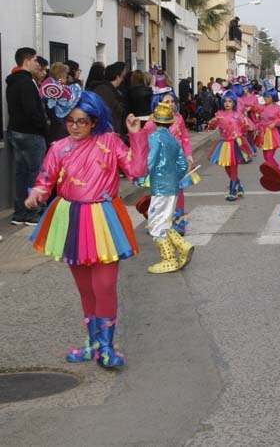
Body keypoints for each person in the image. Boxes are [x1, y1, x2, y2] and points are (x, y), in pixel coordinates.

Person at [25, 88, 148, 368]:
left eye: (82, 121)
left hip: (104, 218)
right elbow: (45, 180)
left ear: (94, 121)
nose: (75, 126)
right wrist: (36, 194)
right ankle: (93, 344)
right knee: (85, 289)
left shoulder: (111, 142)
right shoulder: (59, 148)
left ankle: (107, 347)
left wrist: (137, 136)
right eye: (70, 121)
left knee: (104, 286)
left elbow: (137, 173)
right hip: (71, 218)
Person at [143, 103, 193, 274]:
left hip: (160, 186)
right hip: (172, 185)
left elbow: (150, 158)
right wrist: (175, 177)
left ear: (154, 121)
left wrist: (141, 175)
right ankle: (182, 245)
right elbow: (182, 164)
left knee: (156, 222)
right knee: (163, 220)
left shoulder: (154, 137)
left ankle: (169, 259)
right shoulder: (173, 139)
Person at [5, 47, 48, 226]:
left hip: (15, 131)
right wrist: (43, 125)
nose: (37, 63)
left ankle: (19, 212)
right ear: (27, 61)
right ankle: (32, 212)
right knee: (34, 173)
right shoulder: (27, 82)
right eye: (35, 60)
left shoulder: (12, 81)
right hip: (31, 133)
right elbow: (31, 109)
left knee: (20, 173)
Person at [143, 89, 194, 234]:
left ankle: (178, 221)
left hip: (176, 163)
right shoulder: (151, 123)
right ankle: (157, 220)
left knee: (179, 191)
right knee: (159, 194)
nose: (170, 105)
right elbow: (147, 145)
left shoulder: (178, 118)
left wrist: (188, 155)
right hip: (159, 167)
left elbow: (185, 138)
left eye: (172, 101)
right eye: (166, 102)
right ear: (157, 103)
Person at [207, 90, 253, 201]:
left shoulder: (239, 115)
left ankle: (232, 191)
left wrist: (247, 126)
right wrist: (212, 122)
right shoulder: (219, 114)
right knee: (227, 167)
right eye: (225, 101)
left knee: (233, 167)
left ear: (234, 103)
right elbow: (211, 128)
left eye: (230, 101)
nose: (227, 104)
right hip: (224, 143)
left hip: (236, 143)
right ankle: (239, 185)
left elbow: (247, 127)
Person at [93, 62, 127, 143]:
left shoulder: (113, 90)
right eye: (122, 76)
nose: (122, 80)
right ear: (117, 76)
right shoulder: (105, 90)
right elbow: (107, 114)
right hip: (108, 136)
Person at [257, 81, 280, 167]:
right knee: (266, 156)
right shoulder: (261, 107)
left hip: (273, 135)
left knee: (269, 157)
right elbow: (259, 120)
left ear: (273, 97)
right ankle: (276, 172)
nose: (265, 98)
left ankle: (279, 172)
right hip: (263, 134)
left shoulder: (278, 108)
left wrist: (275, 123)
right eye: (264, 96)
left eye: (268, 97)